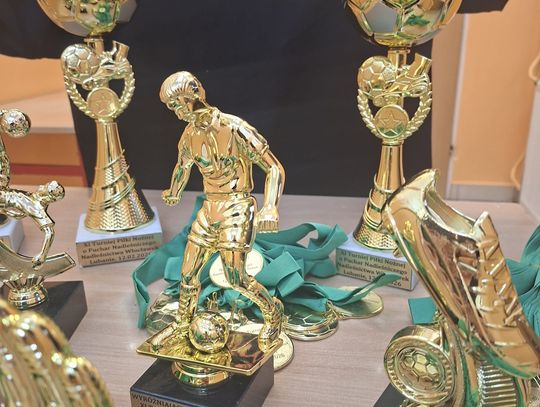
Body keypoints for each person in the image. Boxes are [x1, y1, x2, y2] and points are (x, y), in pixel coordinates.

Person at [160, 71, 285, 352]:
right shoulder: (189, 135)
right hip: (209, 208)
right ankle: (182, 323)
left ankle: (273, 311)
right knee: (188, 273)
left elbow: (274, 167)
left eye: (177, 105)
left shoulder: (235, 127)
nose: (176, 112)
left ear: (191, 96)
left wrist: (270, 207)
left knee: (235, 277)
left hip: (237, 206)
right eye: (171, 108)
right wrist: (174, 191)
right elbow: (182, 167)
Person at [0, 181, 65, 269]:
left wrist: (42, 256)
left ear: (46, 197)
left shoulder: (37, 209)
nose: (41, 186)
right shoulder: (33, 197)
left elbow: (50, 232)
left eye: (45, 187)